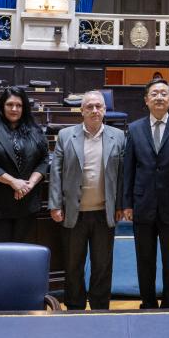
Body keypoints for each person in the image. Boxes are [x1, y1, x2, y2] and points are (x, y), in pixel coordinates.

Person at [121, 80, 169, 309]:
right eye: (155, 94)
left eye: (164, 93)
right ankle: (148, 301)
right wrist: (127, 203)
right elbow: (128, 169)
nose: (160, 97)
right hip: (142, 204)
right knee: (145, 259)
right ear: (146, 100)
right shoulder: (134, 128)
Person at [49, 90, 126, 310]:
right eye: (89, 106)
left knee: (102, 265)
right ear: (81, 110)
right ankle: (75, 308)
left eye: (98, 106)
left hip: (104, 212)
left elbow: (122, 175)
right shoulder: (66, 135)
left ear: (105, 110)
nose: (94, 110)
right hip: (74, 212)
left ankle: (100, 308)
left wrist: (120, 204)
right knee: (74, 265)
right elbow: (56, 172)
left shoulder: (118, 136)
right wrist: (55, 204)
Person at [0, 86, 49, 244]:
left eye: (19, 105)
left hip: (26, 205)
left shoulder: (35, 131)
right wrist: (13, 182)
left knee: (21, 255)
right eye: (10, 104)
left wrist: (29, 184)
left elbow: (44, 160)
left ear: (25, 108)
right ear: (2, 106)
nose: (14, 109)